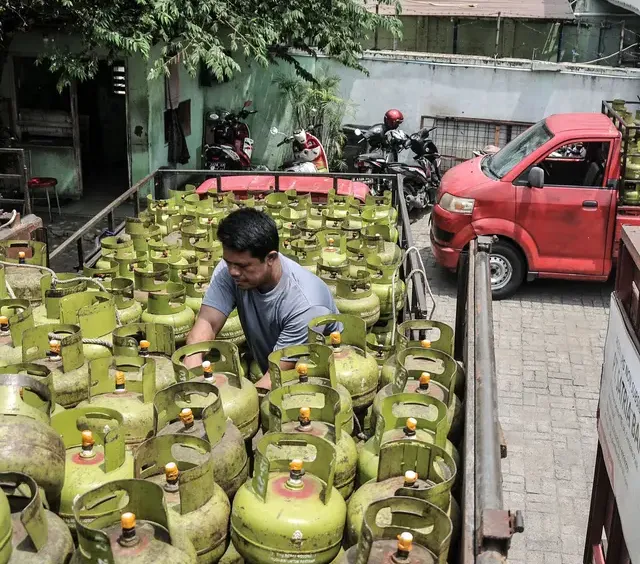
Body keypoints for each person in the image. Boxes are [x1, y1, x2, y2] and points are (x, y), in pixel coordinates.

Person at [184, 207, 339, 389]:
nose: (233, 271)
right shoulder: (230, 270)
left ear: (271, 258)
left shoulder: (306, 304)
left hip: (318, 382)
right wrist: (191, 376)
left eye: (243, 266)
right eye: (228, 262)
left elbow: (275, 376)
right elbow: (207, 323)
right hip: (279, 367)